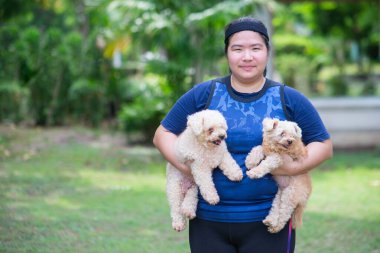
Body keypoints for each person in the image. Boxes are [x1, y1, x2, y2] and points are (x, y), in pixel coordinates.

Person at [153, 16, 333, 253]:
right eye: (237, 49)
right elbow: (162, 134)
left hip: (268, 221)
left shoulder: (288, 98)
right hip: (208, 220)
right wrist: (192, 169)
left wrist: (288, 168)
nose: (247, 57)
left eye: (255, 48)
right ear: (227, 54)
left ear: (267, 52)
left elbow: (324, 145)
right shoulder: (205, 94)